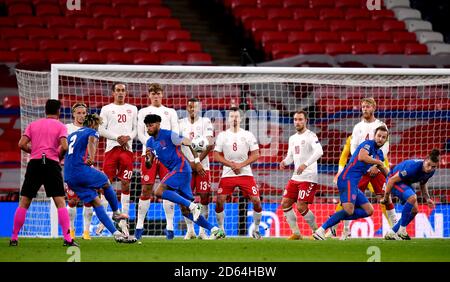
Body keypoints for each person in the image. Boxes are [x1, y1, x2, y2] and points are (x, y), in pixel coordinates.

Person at [143, 114, 225, 241]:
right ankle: (215, 230)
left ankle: (193, 206)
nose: (148, 128)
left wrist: (197, 161)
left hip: (181, 169)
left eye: (151, 125)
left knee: (158, 191)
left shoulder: (169, 134)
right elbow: (149, 164)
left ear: (158, 124)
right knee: (185, 211)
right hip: (178, 172)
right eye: (147, 126)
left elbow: (189, 143)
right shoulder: (149, 142)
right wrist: (148, 160)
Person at [10, 99, 75, 247]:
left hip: (35, 163)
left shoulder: (33, 125)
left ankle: (14, 238)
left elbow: (21, 144)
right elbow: (64, 146)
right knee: (60, 202)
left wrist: (34, 151)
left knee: (25, 201)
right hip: (51, 163)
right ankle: (68, 239)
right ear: (58, 111)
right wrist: (58, 156)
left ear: (45, 110)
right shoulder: (60, 126)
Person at [64, 113, 136, 244]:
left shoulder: (71, 135)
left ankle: (116, 234)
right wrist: (91, 157)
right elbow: (92, 141)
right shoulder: (91, 131)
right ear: (94, 124)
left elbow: (62, 151)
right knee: (106, 182)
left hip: (68, 175)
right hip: (80, 170)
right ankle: (116, 212)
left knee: (96, 202)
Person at [332, 98, 396, 240]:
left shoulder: (381, 125)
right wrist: (362, 164)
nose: (364, 109)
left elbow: (385, 147)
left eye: (367, 106)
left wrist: (375, 164)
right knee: (350, 198)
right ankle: (346, 230)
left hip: (377, 168)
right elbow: (354, 148)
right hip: (361, 169)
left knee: (385, 197)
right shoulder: (357, 127)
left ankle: (396, 230)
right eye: (363, 107)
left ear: (374, 107)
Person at [313, 126, 390, 240]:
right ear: (374, 136)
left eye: (384, 137)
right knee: (349, 211)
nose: (380, 139)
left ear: (386, 140)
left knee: (369, 210)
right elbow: (362, 157)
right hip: (347, 178)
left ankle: (334, 219)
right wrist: (377, 162)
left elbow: (385, 171)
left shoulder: (379, 154)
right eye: (379, 136)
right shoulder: (367, 144)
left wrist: (393, 179)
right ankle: (321, 230)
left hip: (353, 183)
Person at [135, 83, 179, 240]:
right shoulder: (143, 112)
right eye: (152, 93)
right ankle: (139, 226)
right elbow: (140, 132)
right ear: (149, 95)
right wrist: (151, 146)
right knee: (146, 189)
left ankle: (170, 227)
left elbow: (176, 132)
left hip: (167, 157)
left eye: (158, 93)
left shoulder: (170, 112)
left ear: (162, 94)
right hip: (148, 153)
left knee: (168, 189)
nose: (155, 95)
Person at [214, 107, 263, 239]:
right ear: (228, 119)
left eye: (236, 116)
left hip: (245, 173)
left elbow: (256, 154)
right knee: (219, 201)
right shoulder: (222, 135)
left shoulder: (248, 135)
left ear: (241, 118)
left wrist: (240, 165)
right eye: (232, 116)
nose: (234, 119)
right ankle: (221, 230)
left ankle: (256, 230)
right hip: (228, 173)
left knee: (256, 200)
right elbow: (216, 156)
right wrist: (232, 165)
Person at [98, 82, 137, 236]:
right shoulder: (106, 109)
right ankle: (103, 221)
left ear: (126, 93)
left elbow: (136, 130)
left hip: (127, 151)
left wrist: (128, 137)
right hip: (111, 150)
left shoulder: (133, 109)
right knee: (105, 184)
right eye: (118, 90)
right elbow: (101, 129)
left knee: (126, 184)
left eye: (123, 90)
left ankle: (123, 221)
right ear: (113, 93)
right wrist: (117, 137)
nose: (121, 93)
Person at [279, 111, 323, 240]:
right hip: (296, 177)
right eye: (295, 119)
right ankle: (296, 233)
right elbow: (291, 157)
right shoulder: (292, 138)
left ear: (305, 121)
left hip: (308, 177)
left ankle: (317, 232)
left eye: (300, 119)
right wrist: (285, 162)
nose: (297, 122)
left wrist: (305, 164)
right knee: (285, 203)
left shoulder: (311, 136)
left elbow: (319, 151)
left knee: (301, 206)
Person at [382, 149, 439, 240]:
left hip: (405, 183)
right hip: (392, 181)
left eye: (433, 167)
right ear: (425, 160)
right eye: (428, 165)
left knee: (414, 210)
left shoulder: (431, 172)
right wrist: (386, 197)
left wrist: (427, 199)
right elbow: (392, 180)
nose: (430, 169)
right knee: (412, 197)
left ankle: (392, 233)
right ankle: (402, 230)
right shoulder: (413, 167)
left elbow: (423, 184)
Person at [179, 98, 215, 240]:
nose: (192, 109)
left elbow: (210, 143)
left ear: (199, 108)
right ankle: (190, 231)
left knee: (205, 197)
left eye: (195, 106)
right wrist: (190, 162)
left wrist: (198, 161)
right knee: (187, 198)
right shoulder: (180, 123)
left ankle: (202, 231)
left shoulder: (205, 122)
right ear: (187, 108)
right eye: (190, 107)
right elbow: (177, 145)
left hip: (202, 167)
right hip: (186, 167)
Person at [65, 102, 93, 240]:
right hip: (71, 169)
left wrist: (91, 158)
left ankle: (86, 232)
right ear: (73, 114)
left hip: (86, 168)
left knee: (89, 199)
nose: (82, 116)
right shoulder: (66, 128)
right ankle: (71, 230)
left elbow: (93, 145)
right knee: (72, 201)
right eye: (79, 113)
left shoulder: (89, 129)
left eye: (84, 113)